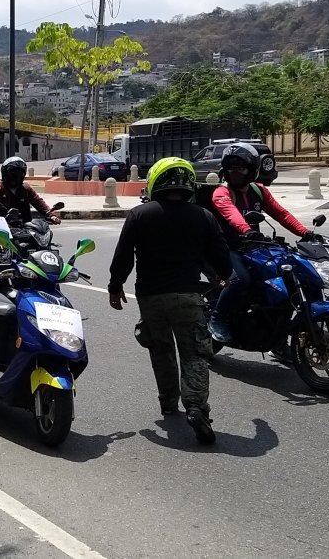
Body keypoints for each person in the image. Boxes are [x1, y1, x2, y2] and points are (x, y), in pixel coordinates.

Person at [107, 157, 231, 445]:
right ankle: (197, 408)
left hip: (150, 298)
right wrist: (225, 276)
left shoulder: (139, 214)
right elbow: (221, 256)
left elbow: (123, 255)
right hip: (188, 295)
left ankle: (168, 402)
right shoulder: (203, 215)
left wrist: (115, 287)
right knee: (194, 354)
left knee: (160, 350)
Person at [207, 143, 315, 346]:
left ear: (253, 170)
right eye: (231, 168)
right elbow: (232, 214)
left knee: (287, 278)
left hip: (254, 247)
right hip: (227, 248)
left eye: (241, 167)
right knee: (240, 280)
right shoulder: (221, 193)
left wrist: (305, 232)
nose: (235, 172)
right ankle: (217, 320)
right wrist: (247, 229)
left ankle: (278, 336)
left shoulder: (259, 191)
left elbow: (281, 214)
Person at [0, 156, 59, 224]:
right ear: (5, 174)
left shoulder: (25, 189)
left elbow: (38, 201)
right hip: (5, 227)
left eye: (19, 174)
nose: (15, 177)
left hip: (25, 226)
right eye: (12, 173)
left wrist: (51, 215)